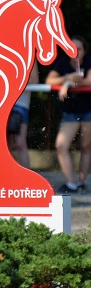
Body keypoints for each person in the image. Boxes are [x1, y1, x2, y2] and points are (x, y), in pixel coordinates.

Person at [44, 35, 91, 194]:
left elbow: (89, 81)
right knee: (61, 145)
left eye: (79, 48)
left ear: (84, 51)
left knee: (86, 146)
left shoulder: (89, 61)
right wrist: (67, 79)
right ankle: (71, 182)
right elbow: (49, 81)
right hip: (70, 111)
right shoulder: (62, 62)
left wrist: (68, 83)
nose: (75, 51)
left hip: (88, 110)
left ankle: (81, 182)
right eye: (72, 48)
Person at [7, 62, 38, 169]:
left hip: (20, 105)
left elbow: (34, 80)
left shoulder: (29, 55)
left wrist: (11, 80)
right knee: (5, 144)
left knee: (20, 143)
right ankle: (6, 176)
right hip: (3, 104)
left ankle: (27, 180)